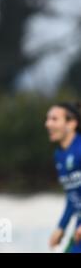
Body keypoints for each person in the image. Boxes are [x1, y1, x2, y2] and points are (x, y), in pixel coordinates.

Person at [45, 102, 81, 253]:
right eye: (47, 119)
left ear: (72, 124)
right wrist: (61, 227)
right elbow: (72, 196)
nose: (47, 124)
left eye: (54, 119)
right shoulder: (59, 155)